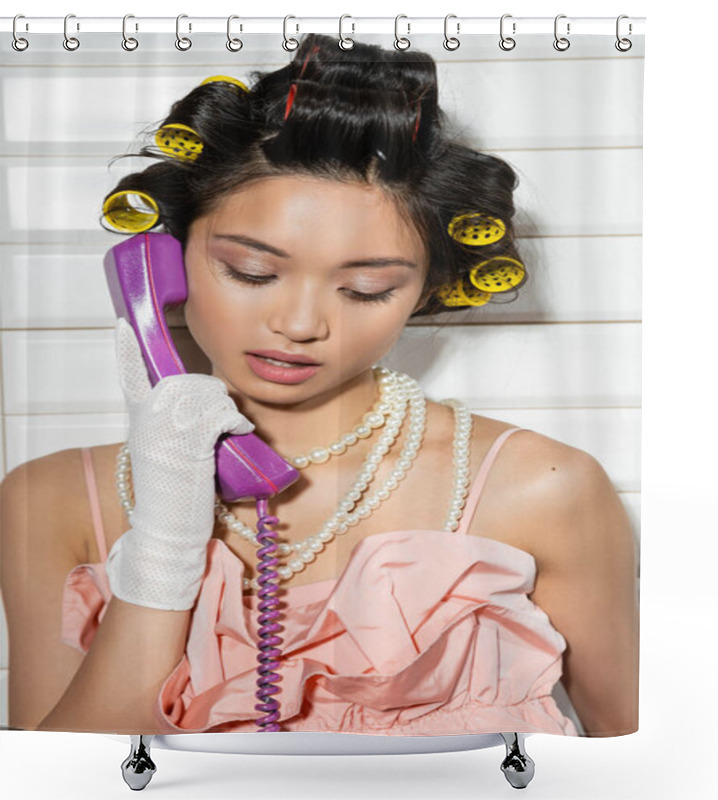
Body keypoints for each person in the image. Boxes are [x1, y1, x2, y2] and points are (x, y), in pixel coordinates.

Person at [0, 33, 638, 737]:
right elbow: (56, 782)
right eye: (251, 272)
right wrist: (163, 545)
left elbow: (646, 770)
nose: (300, 324)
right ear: (161, 263)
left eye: (365, 289)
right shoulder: (48, 501)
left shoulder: (545, 488)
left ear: (424, 292)